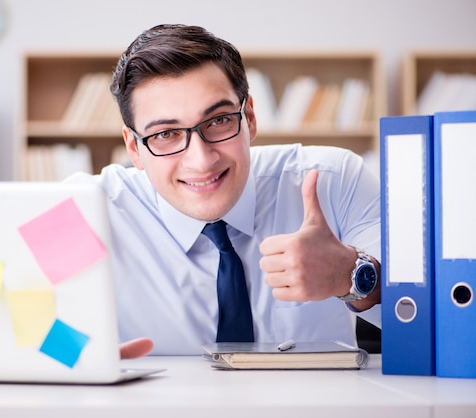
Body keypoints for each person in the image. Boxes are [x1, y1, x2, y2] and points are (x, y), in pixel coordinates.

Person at [66, 24, 381, 357]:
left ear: (249, 118)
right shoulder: (81, 210)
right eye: (165, 134)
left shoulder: (333, 181)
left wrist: (351, 275)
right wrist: (79, 354)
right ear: (133, 148)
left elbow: (430, 315)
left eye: (218, 121)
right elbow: (17, 322)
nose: (201, 160)